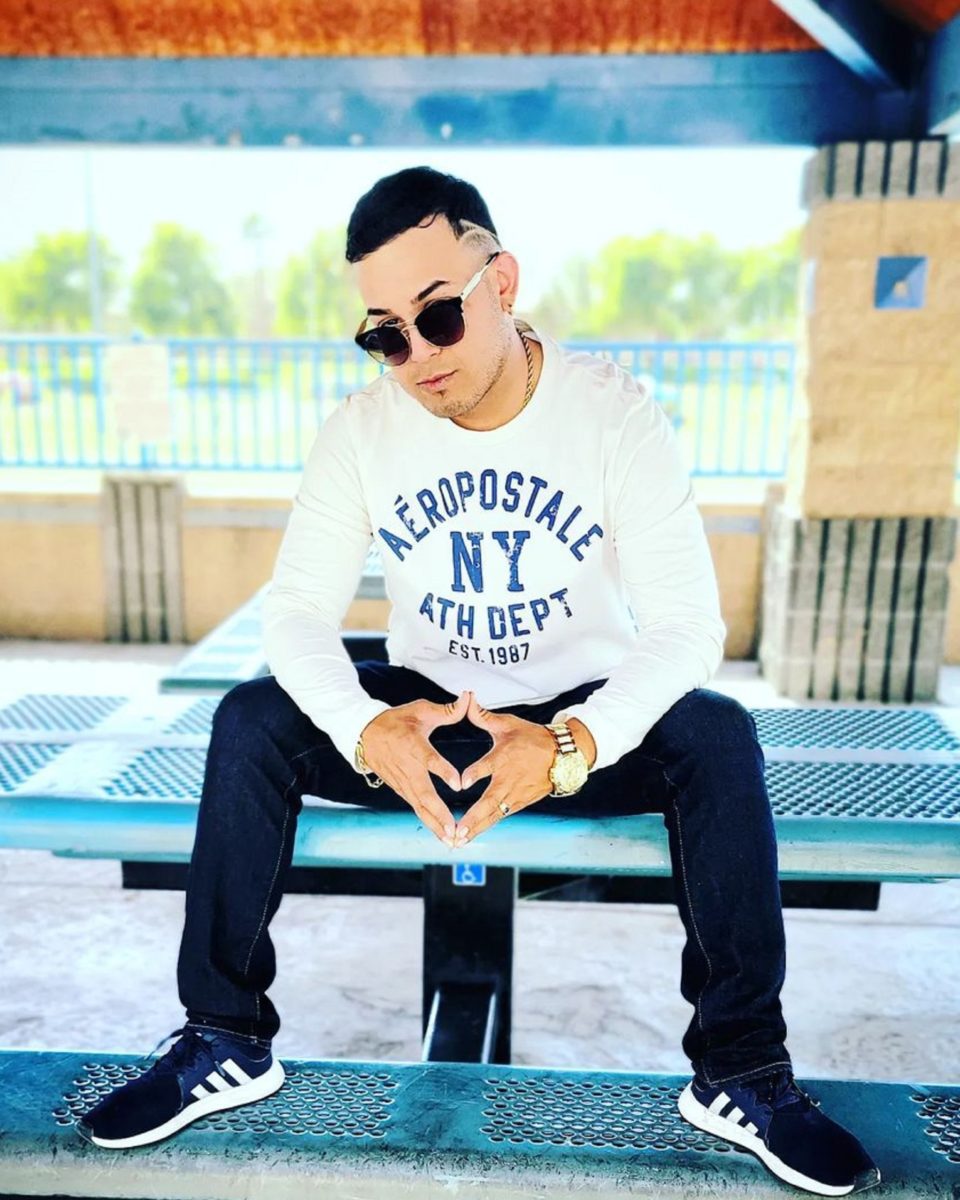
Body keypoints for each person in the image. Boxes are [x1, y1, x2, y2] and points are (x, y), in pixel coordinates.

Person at [78, 165, 879, 1195]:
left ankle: (742, 1070)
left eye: (438, 316)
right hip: (428, 713)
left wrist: (573, 744)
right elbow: (295, 615)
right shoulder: (361, 430)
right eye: (384, 335)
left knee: (719, 733)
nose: (415, 357)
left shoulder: (613, 414)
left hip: (574, 718)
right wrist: (368, 729)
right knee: (251, 720)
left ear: (501, 282)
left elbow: (687, 629)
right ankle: (222, 1036)